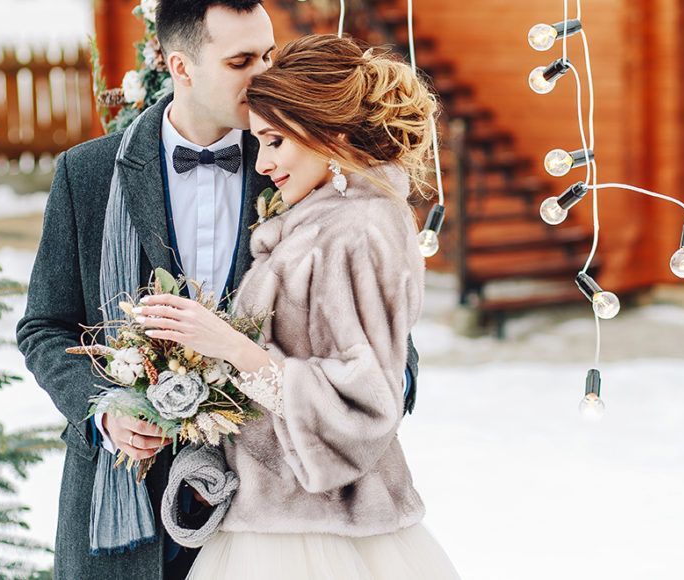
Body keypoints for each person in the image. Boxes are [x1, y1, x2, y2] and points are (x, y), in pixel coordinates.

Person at [15, 1, 421, 577]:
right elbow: (44, 326)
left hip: (275, 510)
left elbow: (368, 319)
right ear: (180, 66)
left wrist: (372, 401)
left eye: (268, 55)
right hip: (121, 506)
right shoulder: (89, 174)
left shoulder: (292, 158)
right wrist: (104, 412)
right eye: (240, 61)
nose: (264, 76)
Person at [136, 34, 459, 579]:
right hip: (278, 518)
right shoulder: (323, 221)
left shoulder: (356, 231)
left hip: (318, 532)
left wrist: (234, 350)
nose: (261, 163)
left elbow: (370, 402)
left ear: (325, 132)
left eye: (275, 142)